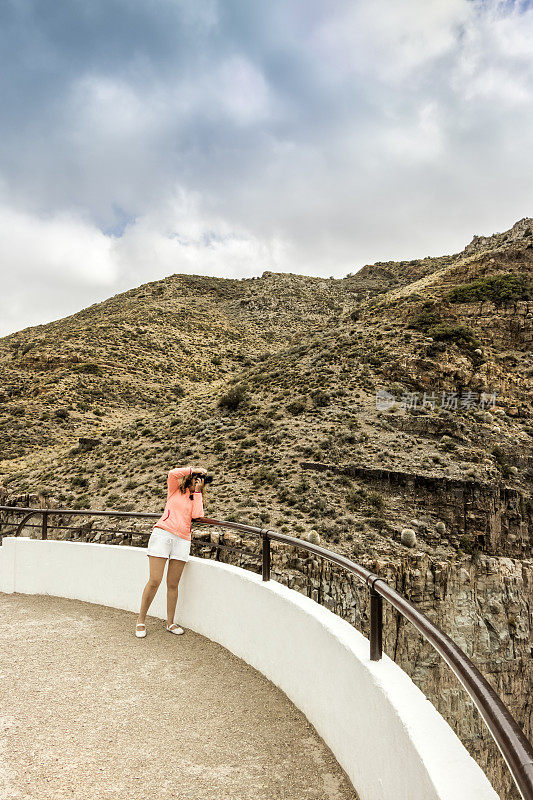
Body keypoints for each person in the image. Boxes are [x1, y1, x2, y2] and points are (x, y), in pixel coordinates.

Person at [135, 465, 207, 638]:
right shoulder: (174, 490)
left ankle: (170, 622)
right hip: (162, 535)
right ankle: (140, 621)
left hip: (182, 540)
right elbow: (172, 473)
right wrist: (194, 469)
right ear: (189, 477)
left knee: (173, 584)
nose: (197, 481)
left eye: (200, 480)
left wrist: (197, 492)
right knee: (154, 580)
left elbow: (198, 515)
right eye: (195, 478)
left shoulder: (196, 497)